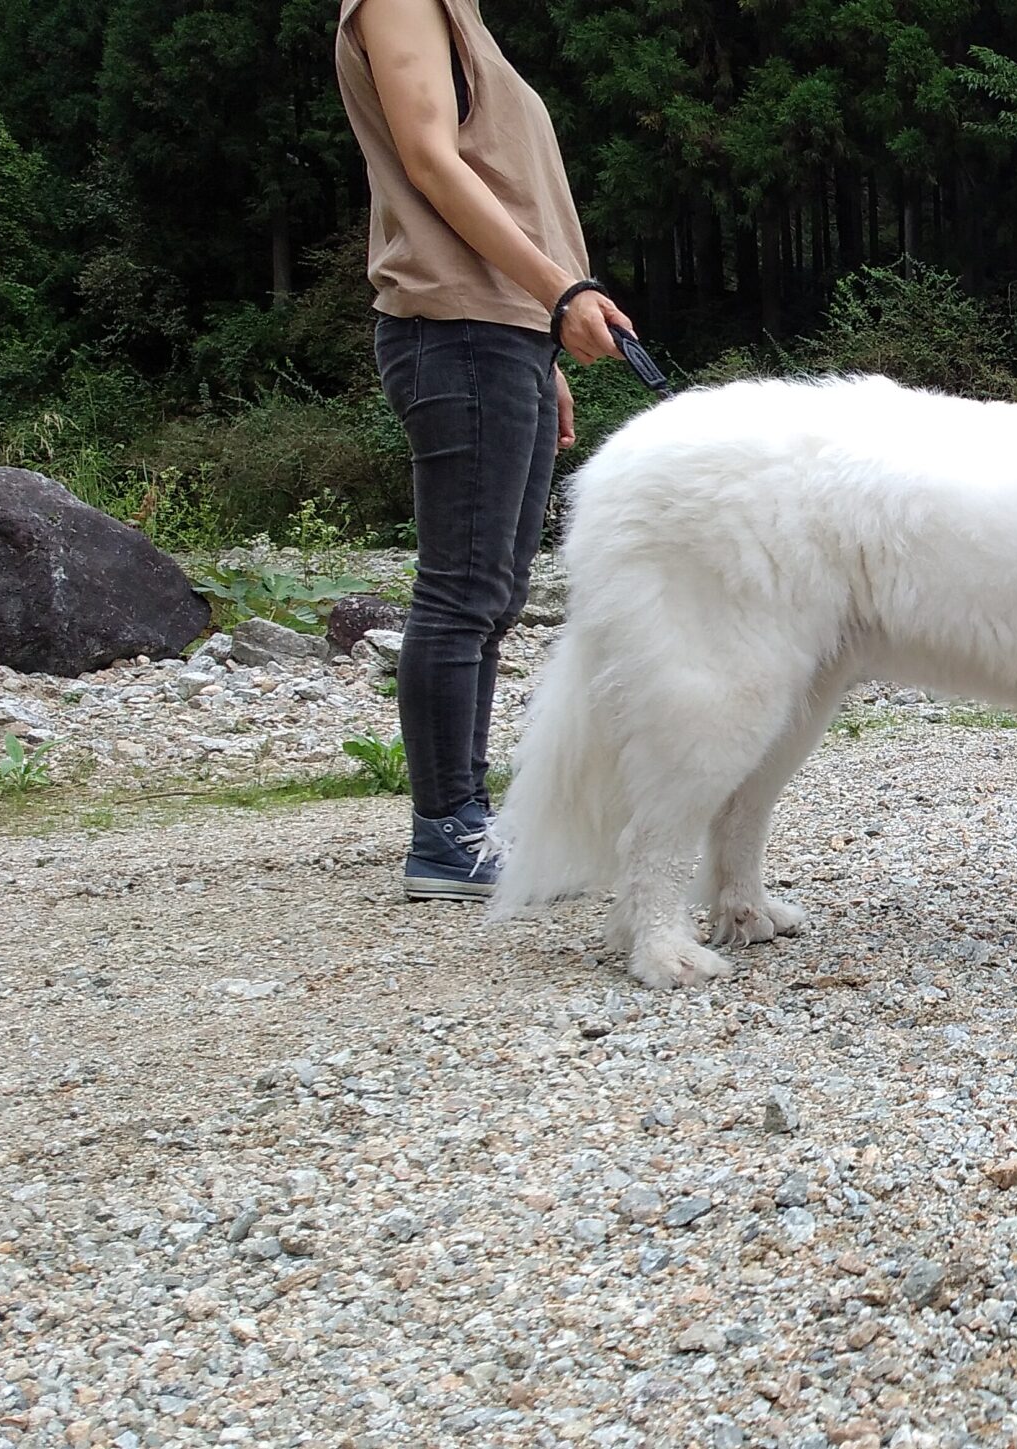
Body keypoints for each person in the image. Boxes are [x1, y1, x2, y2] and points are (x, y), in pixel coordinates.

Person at [335, 0, 635, 899]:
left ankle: (466, 818)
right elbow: (430, 158)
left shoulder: (460, 16)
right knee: (462, 587)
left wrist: (541, 347)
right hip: (458, 331)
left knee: (495, 590)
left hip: (501, 336)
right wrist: (561, 291)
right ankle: (446, 832)